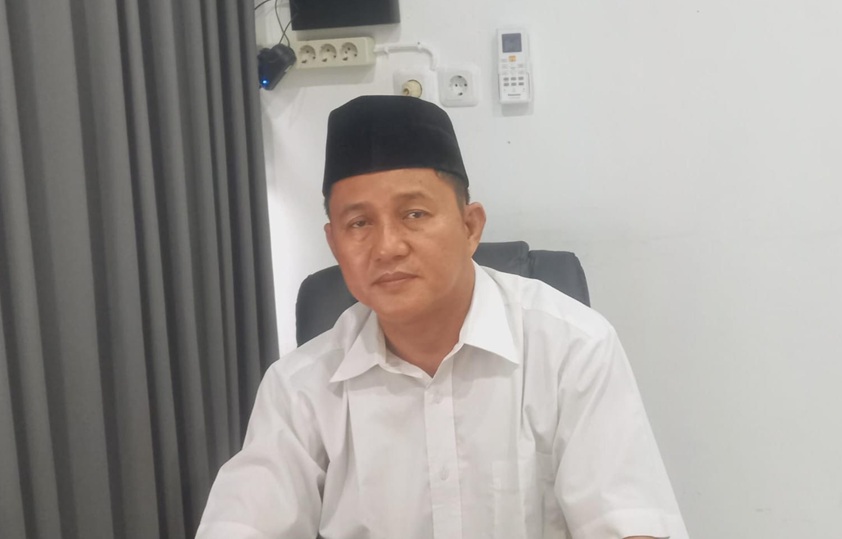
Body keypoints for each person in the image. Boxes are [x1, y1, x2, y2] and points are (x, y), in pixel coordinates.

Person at [197, 95, 689, 539]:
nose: (387, 247)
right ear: (334, 243)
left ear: (470, 226)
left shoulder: (572, 348)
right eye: (359, 223)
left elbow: (630, 523)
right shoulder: (299, 388)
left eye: (414, 214)